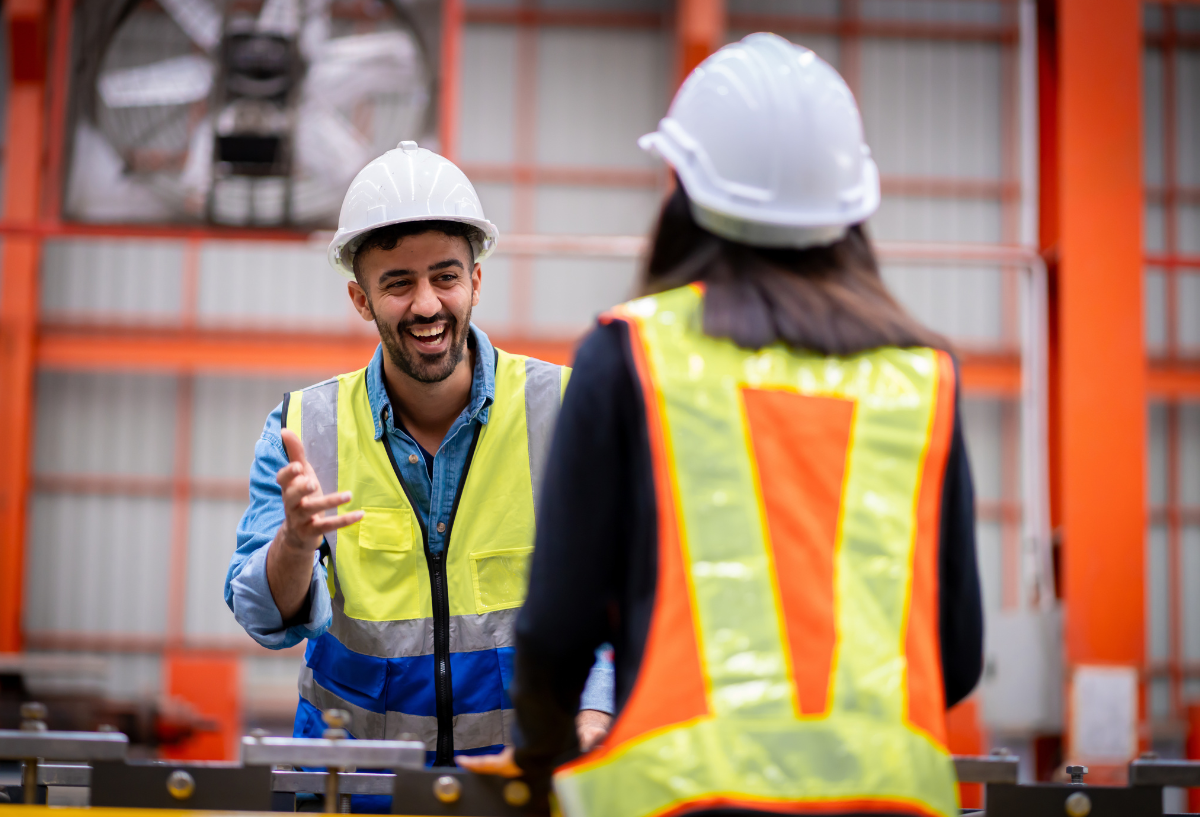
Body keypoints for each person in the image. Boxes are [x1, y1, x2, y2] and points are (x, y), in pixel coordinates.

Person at [460, 33, 984, 817]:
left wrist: (538, 763)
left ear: (683, 185)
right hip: (894, 800)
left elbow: (557, 627)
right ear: (855, 204)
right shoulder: (921, 376)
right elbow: (957, 654)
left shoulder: (632, 353)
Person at [223, 143, 614, 806]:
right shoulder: (305, 427)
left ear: (476, 281)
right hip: (352, 793)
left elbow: (620, 591)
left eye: (445, 276)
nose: (427, 304)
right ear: (361, 297)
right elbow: (265, 616)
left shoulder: (564, 410)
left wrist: (596, 710)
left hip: (516, 791)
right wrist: (294, 543)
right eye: (398, 282)